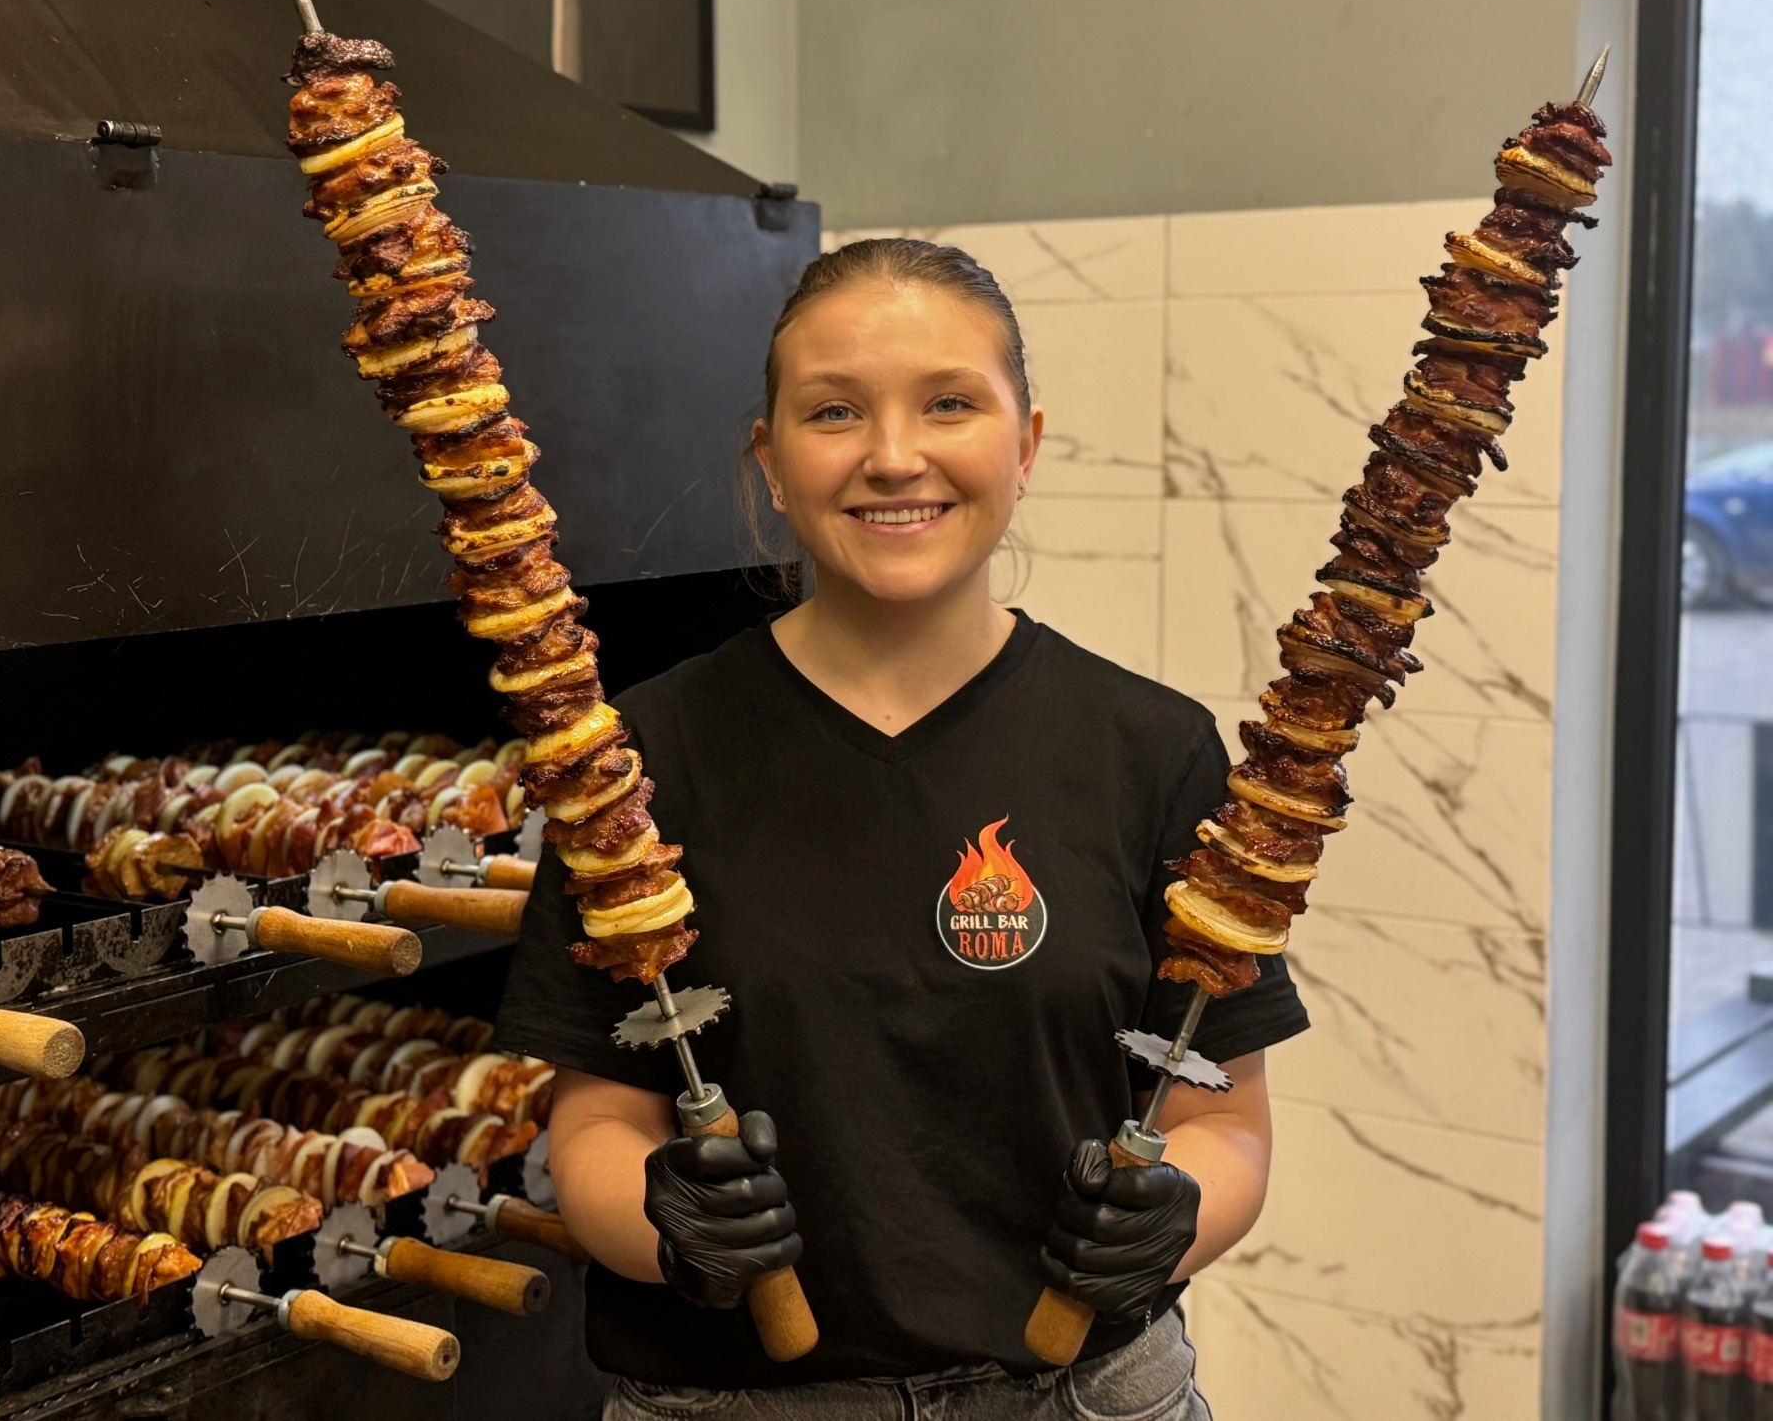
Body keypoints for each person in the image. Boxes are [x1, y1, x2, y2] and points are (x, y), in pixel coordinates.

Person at [494, 238, 1308, 1419]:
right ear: (771, 463)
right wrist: (665, 1225)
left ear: (1023, 445)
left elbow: (1220, 1119)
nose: (890, 456)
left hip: (1081, 1396)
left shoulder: (1152, 749)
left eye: (948, 404)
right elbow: (598, 1125)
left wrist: (1173, 1216)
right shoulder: (632, 760)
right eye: (833, 412)